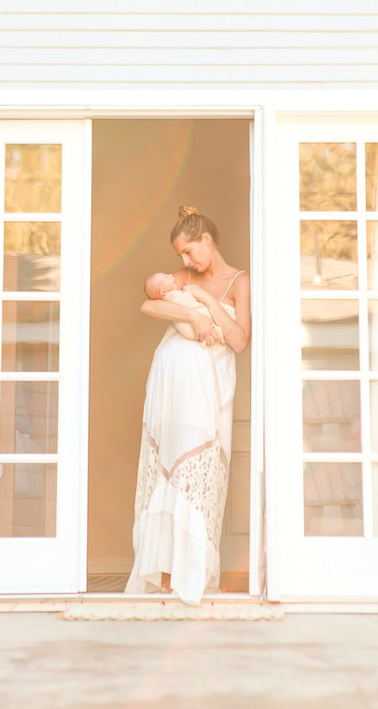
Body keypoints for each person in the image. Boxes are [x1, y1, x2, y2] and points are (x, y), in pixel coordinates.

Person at [125, 206, 251, 605]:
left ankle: (191, 574)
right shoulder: (183, 278)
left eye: (188, 252)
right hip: (171, 387)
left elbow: (240, 340)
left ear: (207, 241)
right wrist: (189, 315)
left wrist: (207, 305)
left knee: (196, 475)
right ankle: (162, 575)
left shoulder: (239, 281)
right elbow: (149, 305)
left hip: (208, 390)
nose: (184, 261)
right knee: (167, 476)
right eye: (180, 255)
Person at [144, 271, 224, 345]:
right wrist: (190, 293)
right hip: (191, 328)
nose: (171, 275)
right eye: (167, 276)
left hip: (188, 332)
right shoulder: (174, 297)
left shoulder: (167, 302)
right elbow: (190, 302)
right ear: (163, 292)